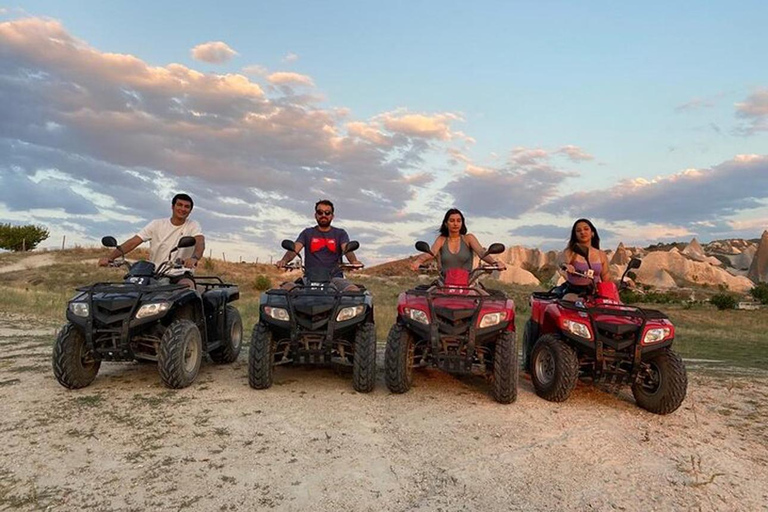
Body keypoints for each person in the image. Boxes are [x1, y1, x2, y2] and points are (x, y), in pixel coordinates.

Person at [98, 193, 205, 288]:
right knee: (131, 292)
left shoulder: (193, 225)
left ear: (190, 211)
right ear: (172, 207)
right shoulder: (156, 224)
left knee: (186, 289)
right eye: (179, 205)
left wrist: (194, 258)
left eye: (187, 207)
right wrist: (110, 258)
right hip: (154, 272)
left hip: (180, 273)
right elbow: (133, 242)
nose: (183, 209)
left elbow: (200, 242)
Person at [275, 199, 363, 292]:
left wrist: (354, 261)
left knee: (353, 291)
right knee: (286, 289)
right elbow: (294, 249)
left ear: (332, 216)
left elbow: (347, 249)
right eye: (320, 212)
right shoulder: (307, 233)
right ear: (315, 215)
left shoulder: (340, 233)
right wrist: (284, 261)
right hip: (309, 279)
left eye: (327, 212)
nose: (323, 215)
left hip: (335, 278)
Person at [409, 208, 507, 273]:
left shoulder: (468, 238)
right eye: (452, 221)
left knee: (484, 301)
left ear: (462, 223)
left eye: (458, 221)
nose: (455, 224)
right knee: (428, 300)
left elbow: (481, 252)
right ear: (446, 223)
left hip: (468, 283)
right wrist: (418, 261)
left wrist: (494, 263)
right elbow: (432, 252)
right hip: (445, 282)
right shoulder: (441, 239)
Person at [558, 218, 610, 295]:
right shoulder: (571, 251)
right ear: (575, 235)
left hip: (595, 292)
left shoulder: (601, 254)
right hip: (574, 291)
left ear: (592, 233)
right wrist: (566, 265)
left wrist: (623, 282)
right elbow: (561, 260)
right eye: (578, 231)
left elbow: (606, 279)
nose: (582, 232)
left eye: (586, 229)